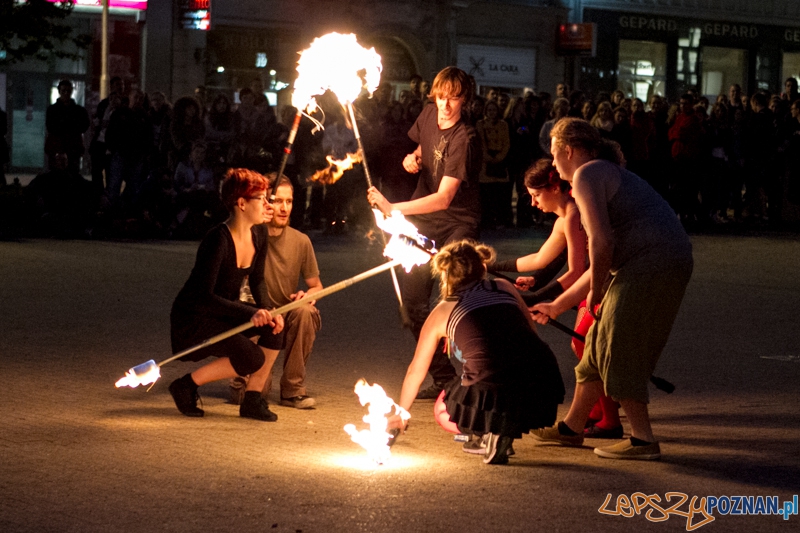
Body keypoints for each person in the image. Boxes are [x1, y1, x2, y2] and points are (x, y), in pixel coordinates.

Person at [530, 118, 693, 460]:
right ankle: (573, 428)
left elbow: (601, 245)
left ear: (567, 150)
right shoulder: (597, 172)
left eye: (554, 154)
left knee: (619, 346)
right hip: (653, 261)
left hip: (652, 264)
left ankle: (643, 440)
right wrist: (558, 306)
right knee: (596, 346)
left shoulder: (587, 174)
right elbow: (604, 257)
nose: (553, 161)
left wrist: (597, 294)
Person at [389, 240, 565, 465]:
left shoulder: (442, 311)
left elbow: (417, 370)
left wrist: (402, 412)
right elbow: (531, 333)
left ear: (446, 275)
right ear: (482, 267)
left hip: (493, 379)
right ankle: (502, 428)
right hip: (541, 377)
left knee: (443, 406)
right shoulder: (502, 286)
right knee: (504, 378)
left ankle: (487, 434)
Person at [367, 66, 482, 400]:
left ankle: (476, 375)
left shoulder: (466, 138)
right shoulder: (429, 113)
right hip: (425, 216)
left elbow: (444, 198)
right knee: (414, 305)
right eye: (441, 96)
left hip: (458, 220)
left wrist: (394, 209)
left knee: (452, 301)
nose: (446, 105)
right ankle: (445, 378)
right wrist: (412, 157)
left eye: (454, 98)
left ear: (465, 99)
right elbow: (423, 147)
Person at [168, 168, 285, 422]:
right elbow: (205, 296)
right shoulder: (217, 240)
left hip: (224, 311)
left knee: (275, 330)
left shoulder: (259, 233)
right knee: (251, 357)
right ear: (241, 203)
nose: (267, 205)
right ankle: (185, 385)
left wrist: (268, 311)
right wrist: (252, 312)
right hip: (195, 317)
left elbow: (257, 280)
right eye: (261, 198)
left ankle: (253, 400)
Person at [231, 175, 323, 409]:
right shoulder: (249, 235)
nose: (284, 208)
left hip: (284, 315)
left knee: (305, 312)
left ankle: (293, 390)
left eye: (289, 202)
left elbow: (316, 285)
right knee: (249, 395)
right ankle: (248, 380)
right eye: (278, 201)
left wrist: (309, 294)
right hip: (254, 316)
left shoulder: (301, 241)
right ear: (265, 203)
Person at [45, 80, 90, 174]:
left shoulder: (78, 111)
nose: (66, 93)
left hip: (72, 148)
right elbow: (51, 127)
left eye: (68, 91)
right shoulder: (53, 110)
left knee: (71, 175)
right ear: (59, 91)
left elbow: (84, 126)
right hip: (59, 147)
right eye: (63, 91)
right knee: (57, 174)